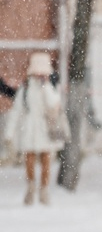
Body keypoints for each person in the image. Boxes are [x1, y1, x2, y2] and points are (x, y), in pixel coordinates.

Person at [3, 53, 66, 206]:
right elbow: (16, 111)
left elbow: (53, 104)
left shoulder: (50, 87)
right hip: (29, 129)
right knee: (29, 160)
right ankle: (31, 186)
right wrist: (9, 133)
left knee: (46, 160)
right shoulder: (25, 89)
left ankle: (44, 189)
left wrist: (46, 87)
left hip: (45, 129)